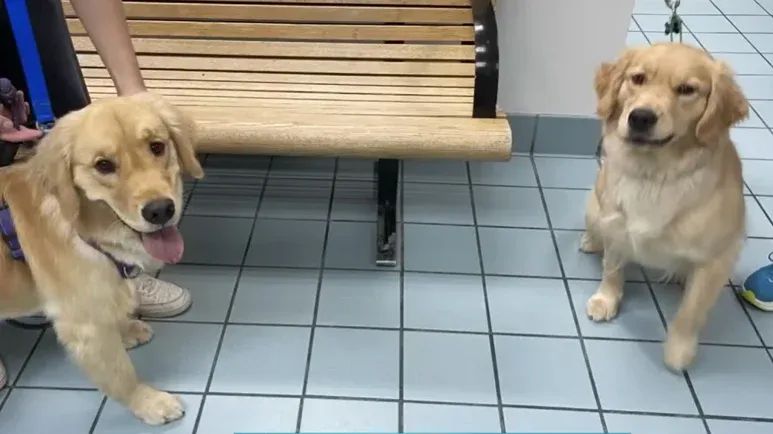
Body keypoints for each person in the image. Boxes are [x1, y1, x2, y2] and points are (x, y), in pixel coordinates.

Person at [1, 0, 192, 389]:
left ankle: (108, 288)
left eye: (158, 148)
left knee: (74, 197)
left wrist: (134, 89)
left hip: (29, 32)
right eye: (107, 169)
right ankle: (76, 301)